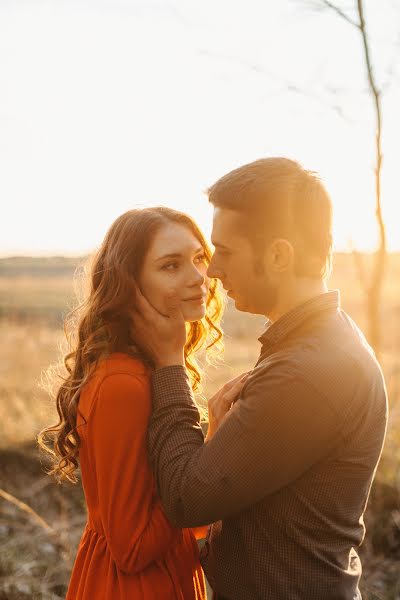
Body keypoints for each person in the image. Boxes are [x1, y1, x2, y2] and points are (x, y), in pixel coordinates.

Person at [133, 158, 388, 600]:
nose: (212, 271)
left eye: (225, 251)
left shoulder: (309, 372)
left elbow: (185, 499)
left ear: (278, 255)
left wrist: (169, 364)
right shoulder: (316, 346)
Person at [38, 206, 230, 599]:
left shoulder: (149, 370)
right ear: (130, 284)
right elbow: (133, 548)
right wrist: (209, 451)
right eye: (171, 265)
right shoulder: (122, 384)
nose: (200, 277)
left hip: (166, 577)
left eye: (199, 258)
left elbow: (189, 519)